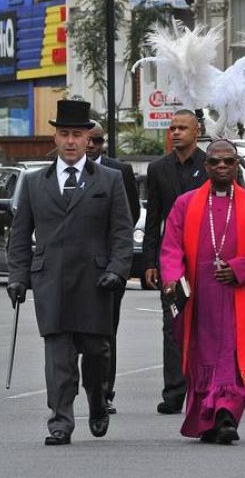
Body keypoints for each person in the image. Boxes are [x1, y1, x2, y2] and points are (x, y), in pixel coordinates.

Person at [6, 99, 134, 446]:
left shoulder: (109, 180)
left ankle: (97, 402)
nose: (71, 141)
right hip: (51, 282)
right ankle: (60, 420)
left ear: (89, 138)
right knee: (58, 356)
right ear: (56, 137)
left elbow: (122, 233)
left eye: (78, 134)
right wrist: (17, 277)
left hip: (96, 282)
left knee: (96, 354)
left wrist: (118, 270)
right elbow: (19, 237)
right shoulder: (34, 182)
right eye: (65, 134)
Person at [159, 139, 245, 444]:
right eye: (215, 162)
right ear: (205, 166)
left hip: (236, 294)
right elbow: (171, 248)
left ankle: (227, 415)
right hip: (198, 297)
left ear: (236, 165)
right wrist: (172, 278)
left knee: (235, 355)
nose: (222, 166)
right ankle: (208, 419)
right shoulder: (185, 203)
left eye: (228, 161)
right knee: (202, 356)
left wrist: (239, 268)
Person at [142, 109, 208, 414]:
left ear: (196, 132)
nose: (176, 132)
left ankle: (204, 387)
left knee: (205, 326)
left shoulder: (212, 164)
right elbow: (153, 219)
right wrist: (149, 262)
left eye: (182, 127)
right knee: (173, 326)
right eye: (172, 128)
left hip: (207, 258)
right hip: (171, 261)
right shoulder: (157, 169)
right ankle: (173, 391)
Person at [85, 121, 141, 414]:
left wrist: (117, 259)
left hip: (109, 265)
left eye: (97, 140)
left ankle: (105, 391)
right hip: (75, 266)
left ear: (103, 142)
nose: (91, 145)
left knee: (106, 331)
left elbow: (130, 214)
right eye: (88, 140)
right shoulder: (61, 172)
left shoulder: (119, 171)